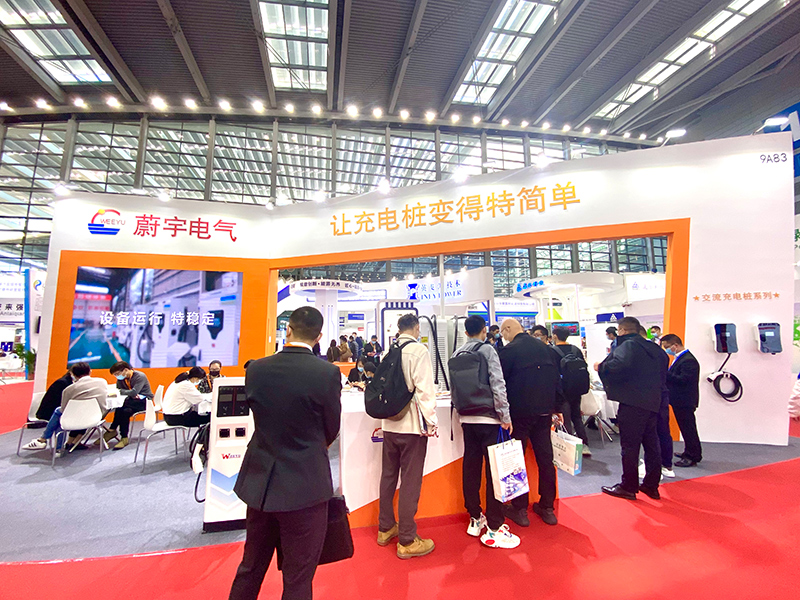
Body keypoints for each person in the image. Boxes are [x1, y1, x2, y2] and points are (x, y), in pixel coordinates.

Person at [229, 307, 341, 600]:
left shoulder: (256, 369)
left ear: (287, 330)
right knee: (298, 577)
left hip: (261, 484)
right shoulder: (327, 373)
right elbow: (332, 428)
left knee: (250, 566)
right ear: (318, 337)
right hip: (305, 484)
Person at [454, 315, 519, 549]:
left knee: (470, 467)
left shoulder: (457, 354)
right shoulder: (488, 350)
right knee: (495, 472)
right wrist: (505, 416)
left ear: (465, 332)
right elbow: (498, 384)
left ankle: (475, 518)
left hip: (467, 418)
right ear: (484, 330)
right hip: (489, 419)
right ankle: (494, 525)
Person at [377, 313, 438, 559]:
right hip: (412, 427)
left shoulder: (388, 352)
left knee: (388, 476)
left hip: (389, 425)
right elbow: (425, 391)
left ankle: (385, 528)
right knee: (410, 481)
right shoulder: (419, 351)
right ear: (416, 328)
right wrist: (431, 422)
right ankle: (407, 539)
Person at [499, 318, 561, 527]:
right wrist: (557, 408)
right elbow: (557, 380)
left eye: (503, 333)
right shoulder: (547, 349)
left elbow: (500, 384)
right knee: (546, 459)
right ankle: (547, 507)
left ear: (508, 329)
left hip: (519, 413)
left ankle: (519, 509)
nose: (503, 337)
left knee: (516, 459)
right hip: (544, 412)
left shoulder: (509, 351)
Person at [597, 316, 666, 500]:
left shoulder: (628, 346)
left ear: (622, 330)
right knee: (652, 444)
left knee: (630, 446)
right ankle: (651, 485)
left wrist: (601, 367)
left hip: (632, 402)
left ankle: (628, 486)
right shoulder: (655, 348)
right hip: (653, 401)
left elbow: (616, 366)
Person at [23, 362, 108, 451]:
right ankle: (65, 443)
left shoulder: (70, 389)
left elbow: (64, 409)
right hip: (95, 416)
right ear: (90, 372)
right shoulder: (102, 382)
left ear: (72, 373)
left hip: (75, 416)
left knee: (59, 413)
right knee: (62, 414)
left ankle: (45, 441)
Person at [662, 334, 703, 467]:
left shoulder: (688, 360)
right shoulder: (680, 359)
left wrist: (665, 373)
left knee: (688, 428)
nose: (667, 350)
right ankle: (688, 451)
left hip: (685, 400)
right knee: (685, 428)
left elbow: (683, 380)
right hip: (679, 399)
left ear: (675, 345)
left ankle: (693, 455)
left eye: (668, 347)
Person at [552, 327, 591, 457]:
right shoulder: (576, 350)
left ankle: (569, 449)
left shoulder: (552, 351)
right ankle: (584, 445)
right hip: (576, 389)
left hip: (561, 390)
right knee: (577, 417)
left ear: (555, 335)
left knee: (565, 419)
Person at [103, 361, 153, 450]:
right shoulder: (121, 379)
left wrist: (125, 392)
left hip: (144, 401)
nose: (117, 376)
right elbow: (120, 389)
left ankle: (112, 430)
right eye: (115, 375)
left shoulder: (140, 376)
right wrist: (128, 393)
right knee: (125, 410)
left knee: (122, 407)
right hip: (130, 402)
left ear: (126, 370)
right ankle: (124, 437)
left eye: (117, 374)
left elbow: (133, 392)